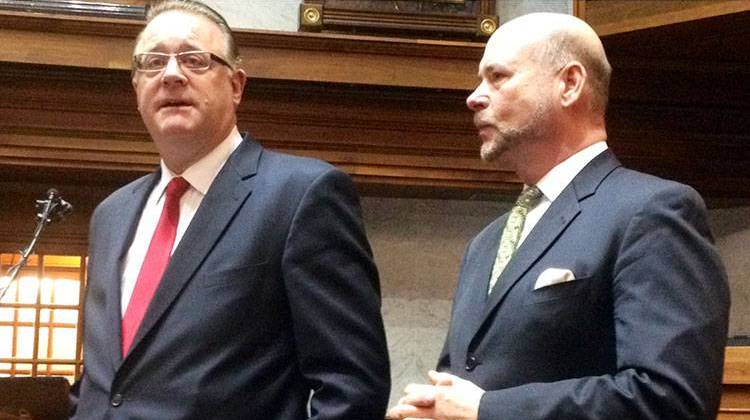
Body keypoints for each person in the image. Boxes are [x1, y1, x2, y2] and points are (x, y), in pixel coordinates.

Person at [387, 12, 729, 420]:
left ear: (569, 84)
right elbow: (464, 382)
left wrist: (484, 409)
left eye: (498, 77)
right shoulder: (486, 244)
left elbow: (671, 400)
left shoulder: (653, 212)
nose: (474, 96)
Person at [70, 1, 390, 418]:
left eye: (194, 59)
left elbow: (353, 387)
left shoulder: (302, 195)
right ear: (136, 89)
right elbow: (106, 379)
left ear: (236, 85)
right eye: (152, 63)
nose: (170, 74)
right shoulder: (111, 214)